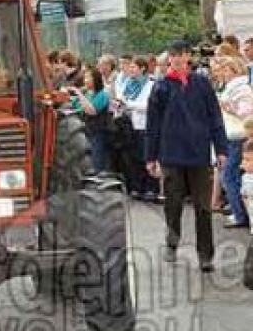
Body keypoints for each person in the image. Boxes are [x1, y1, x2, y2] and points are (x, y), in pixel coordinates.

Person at [146, 40, 228, 273]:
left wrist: (221, 149)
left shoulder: (202, 84)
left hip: (199, 154)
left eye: (183, 55)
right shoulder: (161, 87)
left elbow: (215, 118)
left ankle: (205, 255)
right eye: (175, 56)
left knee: (203, 207)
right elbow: (153, 126)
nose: (180, 60)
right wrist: (151, 157)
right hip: (171, 155)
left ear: (188, 58)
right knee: (173, 203)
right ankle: (172, 243)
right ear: (169, 59)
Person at [215, 56, 253, 229]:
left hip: (237, 136)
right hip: (231, 135)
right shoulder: (231, 87)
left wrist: (227, 107)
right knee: (230, 176)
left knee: (230, 176)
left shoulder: (241, 88)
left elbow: (247, 114)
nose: (220, 72)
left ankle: (240, 214)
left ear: (233, 70)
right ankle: (239, 210)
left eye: (224, 69)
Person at [119, 57, 157, 200]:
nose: (131, 70)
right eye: (130, 67)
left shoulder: (150, 84)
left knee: (146, 157)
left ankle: (150, 188)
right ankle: (136, 187)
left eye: (134, 67)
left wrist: (129, 104)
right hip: (129, 125)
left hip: (144, 125)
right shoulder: (128, 84)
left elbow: (148, 106)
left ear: (142, 69)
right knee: (133, 158)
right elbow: (122, 99)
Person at [69, 68, 111, 172]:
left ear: (96, 79)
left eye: (88, 77)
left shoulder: (103, 95)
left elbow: (91, 110)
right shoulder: (87, 93)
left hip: (97, 134)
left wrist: (79, 93)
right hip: (84, 132)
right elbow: (73, 105)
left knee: (96, 163)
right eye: (85, 77)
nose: (85, 80)